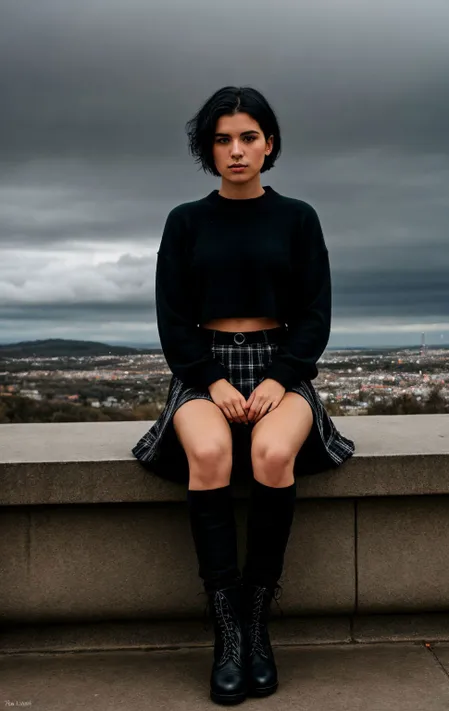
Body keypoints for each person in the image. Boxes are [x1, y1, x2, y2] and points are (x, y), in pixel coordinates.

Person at [132, 85, 356, 705]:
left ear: (269, 143)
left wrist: (281, 378)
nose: (236, 150)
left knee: (271, 456)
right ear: (209, 150)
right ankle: (228, 634)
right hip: (204, 368)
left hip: (282, 366)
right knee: (209, 457)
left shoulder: (298, 218)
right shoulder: (185, 221)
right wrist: (213, 381)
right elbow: (172, 318)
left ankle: (257, 623)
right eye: (223, 139)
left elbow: (315, 314)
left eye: (248, 137)